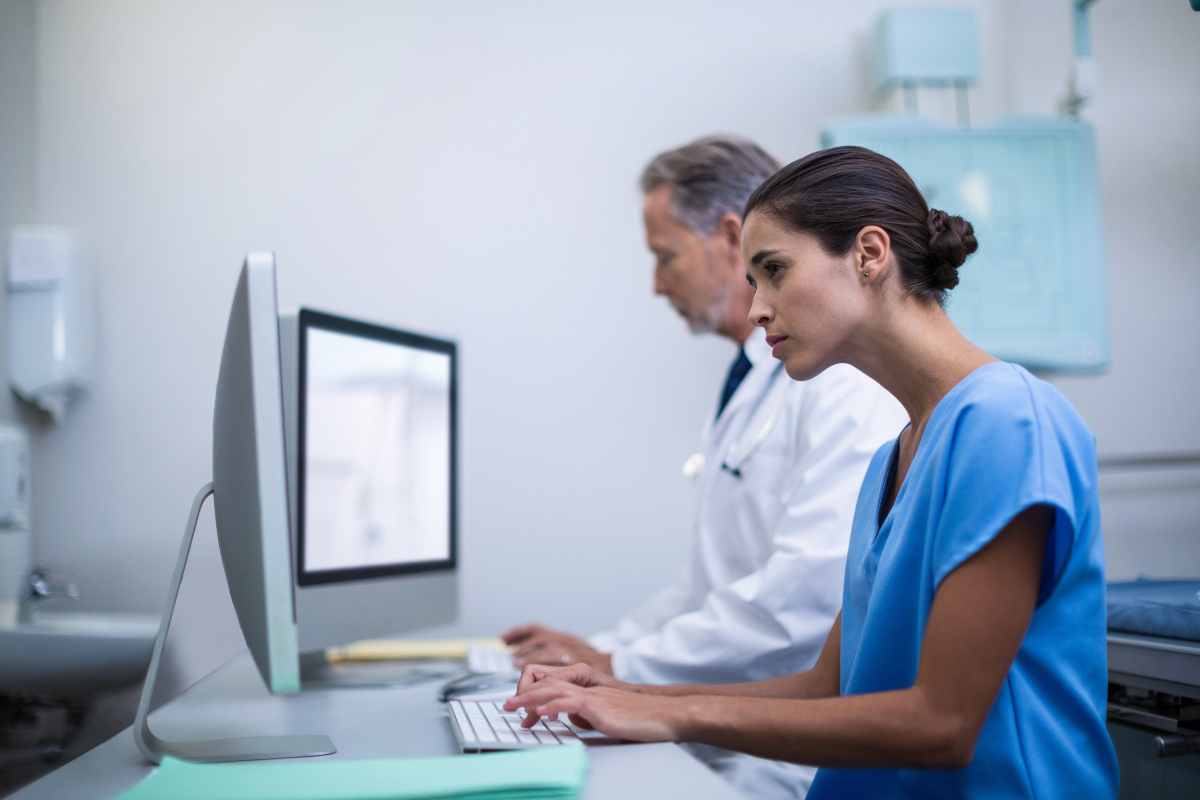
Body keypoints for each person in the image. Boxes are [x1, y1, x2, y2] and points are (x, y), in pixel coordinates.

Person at [505, 145, 1119, 799]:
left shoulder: (1006, 422)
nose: (759, 307)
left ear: (869, 254)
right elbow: (822, 686)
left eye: (774, 271)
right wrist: (627, 691)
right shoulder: (895, 457)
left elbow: (943, 723)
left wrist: (666, 710)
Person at [502, 136, 906, 798]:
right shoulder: (755, 382)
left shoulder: (847, 384)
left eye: (666, 258)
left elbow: (805, 595)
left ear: (728, 237)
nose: (657, 283)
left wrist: (622, 668)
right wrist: (603, 655)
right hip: (739, 727)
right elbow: (709, 585)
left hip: (789, 753)